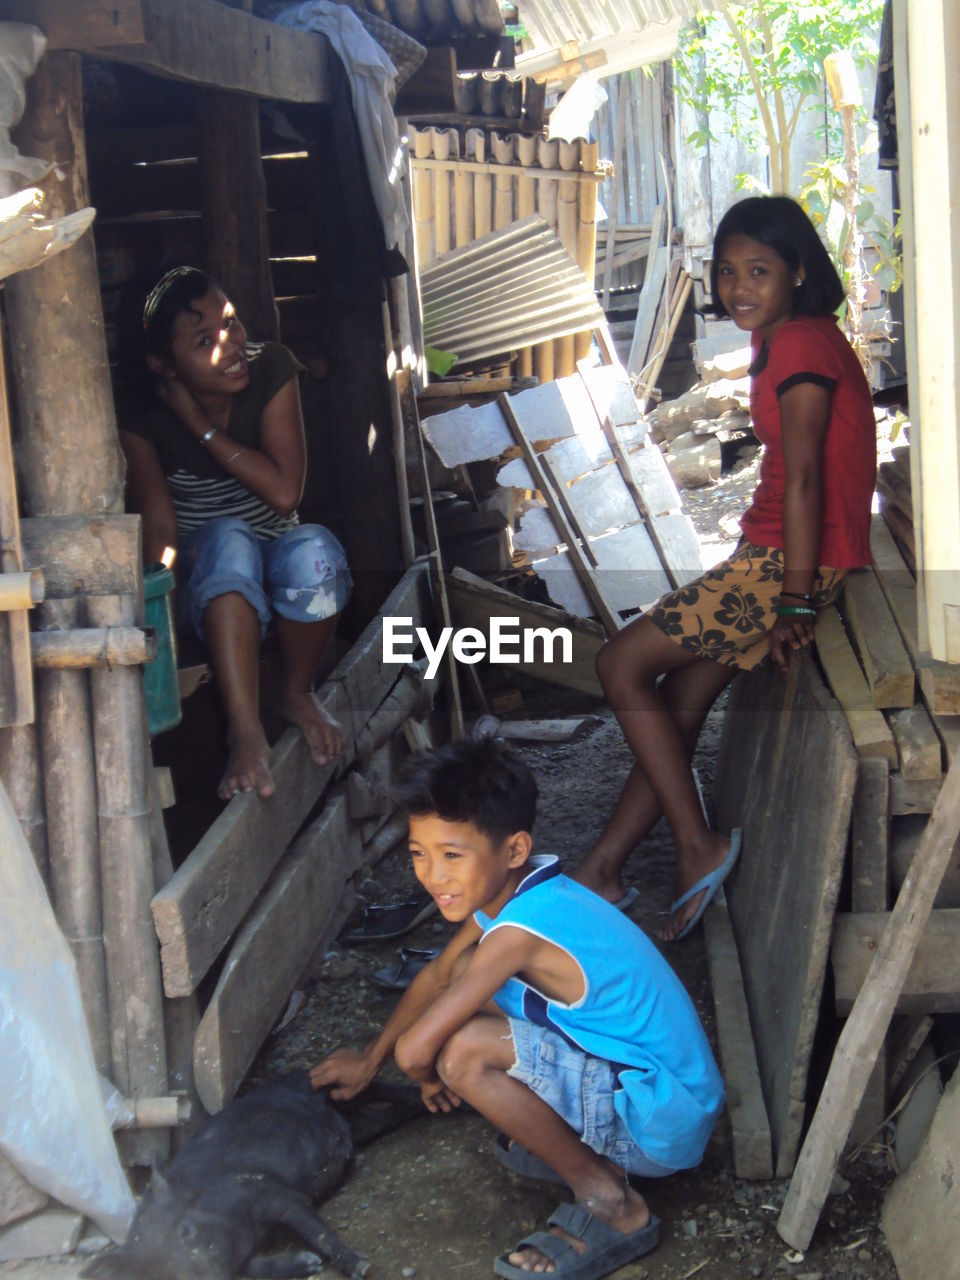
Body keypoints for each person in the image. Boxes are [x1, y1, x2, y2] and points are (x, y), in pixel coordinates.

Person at [575, 195, 877, 941]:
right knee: (677, 696)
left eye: (760, 271)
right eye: (728, 271)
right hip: (778, 552)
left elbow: (804, 477)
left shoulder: (803, 346)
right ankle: (604, 866)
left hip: (785, 563)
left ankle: (695, 844)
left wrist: (795, 603)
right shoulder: (787, 339)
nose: (739, 287)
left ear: (799, 274)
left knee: (621, 665)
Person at [310, 738, 724, 1279]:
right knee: (462, 997)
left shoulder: (519, 933)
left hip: (660, 1123)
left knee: (461, 1053)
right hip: (665, 1095)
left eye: (451, 855)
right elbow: (438, 975)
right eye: (418, 853)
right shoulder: (528, 894)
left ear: (513, 850)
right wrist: (370, 1059)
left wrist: (431, 1068)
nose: (433, 876)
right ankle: (574, 1143)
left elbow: (415, 1054)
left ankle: (611, 1201)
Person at [118, 266, 352, 800]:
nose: (231, 344)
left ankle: (296, 692)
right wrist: (160, 611)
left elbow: (285, 493)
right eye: (204, 340)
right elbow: (161, 527)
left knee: (315, 551)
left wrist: (200, 427)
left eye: (230, 322)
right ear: (162, 365)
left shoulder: (271, 368)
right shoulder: (141, 415)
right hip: (213, 574)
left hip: (274, 549)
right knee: (228, 540)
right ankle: (245, 731)